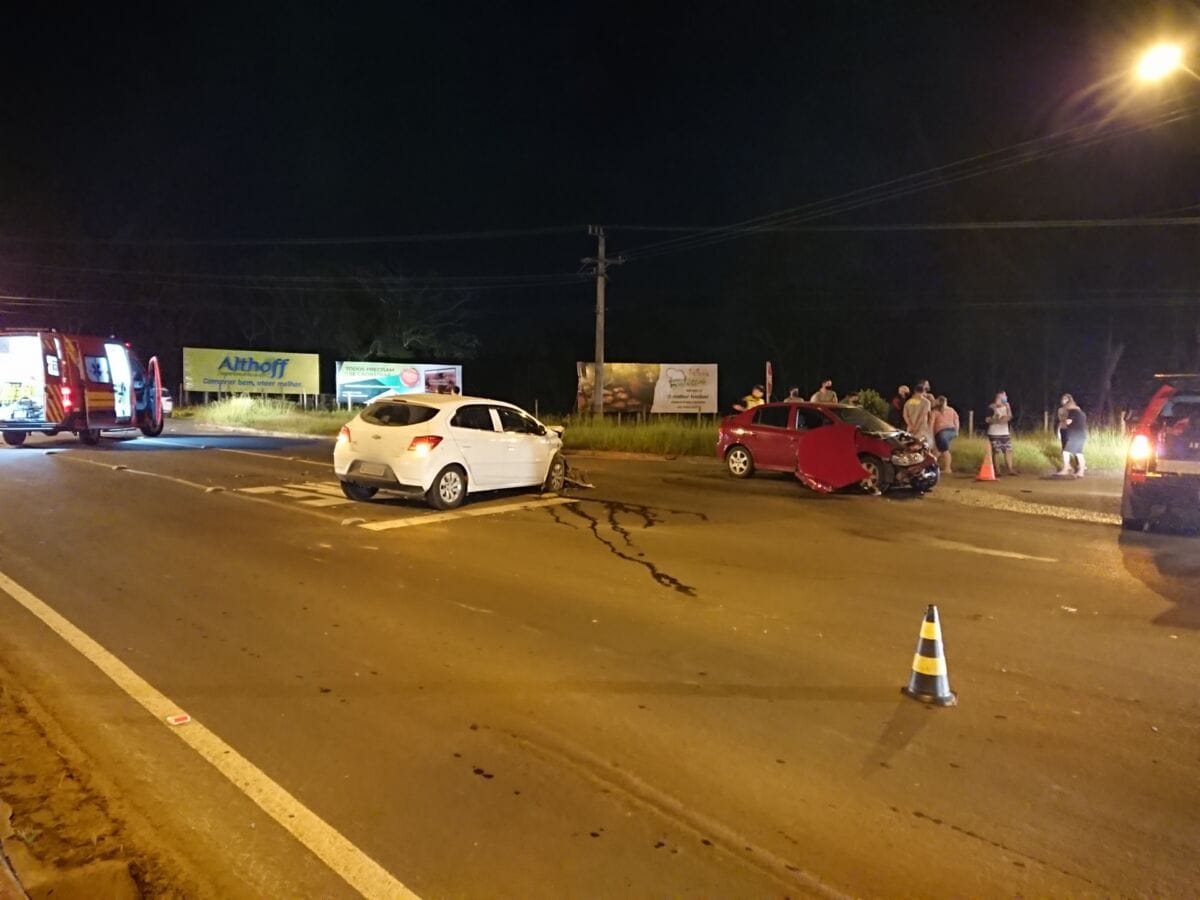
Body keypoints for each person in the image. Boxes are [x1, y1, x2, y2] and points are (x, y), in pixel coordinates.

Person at [986, 391, 1017, 475]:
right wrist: (998, 419)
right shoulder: (991, 407)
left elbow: (1009, 417)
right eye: (1002, 397)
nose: (1004, 399)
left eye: (1005, 397)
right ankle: (997, 471)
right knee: (996, 451)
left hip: (1004, 432)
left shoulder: (1006, 407)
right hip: (994, 433)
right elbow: (987, 420)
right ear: (997, 398)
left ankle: (1010, 469)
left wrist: (1008, 408)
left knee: (1008, 450)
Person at [1057, 394, 1087, 477]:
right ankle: (1081, 472)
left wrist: (1062, 422)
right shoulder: (1081, 412)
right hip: (1082, 435)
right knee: (1079, 453)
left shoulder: (1072, 412)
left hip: (1075, 436)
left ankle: (1066, 469)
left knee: (1066, 452)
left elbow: (1068, 421)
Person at [931, 395, 960, 473]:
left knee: (944, 450)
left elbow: (931, 424)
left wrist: (931, 434)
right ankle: (931, 466)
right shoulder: (951, 410)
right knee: (938, 450)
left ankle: (948, 468)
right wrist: (956, 432)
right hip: (951, 431)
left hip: (941, 433)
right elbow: (956, 421)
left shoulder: (935, 412)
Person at [903, 384, 934, 448]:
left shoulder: (908, 402)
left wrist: (910, 425)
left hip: (910, 429)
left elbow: (905, 415)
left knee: (909, 447)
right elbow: (923, 416)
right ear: (923, 392)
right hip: (922, 429)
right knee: (920, 449)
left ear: (915, 391)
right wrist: (916, 427)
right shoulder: (927, 402)